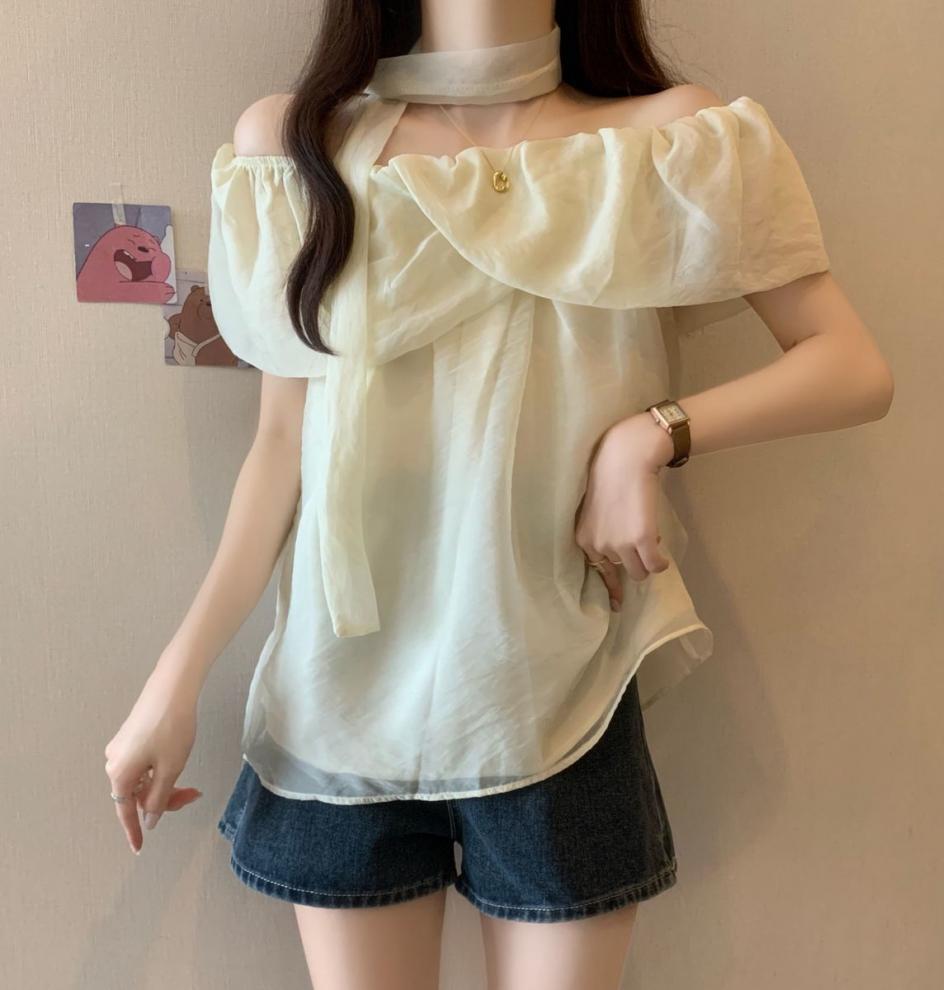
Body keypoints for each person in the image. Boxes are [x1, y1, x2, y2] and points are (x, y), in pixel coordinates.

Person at [103, 2, 894, 987]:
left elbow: (850, 365)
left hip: (559, 684)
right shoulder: (298, 144)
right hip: (339, 694)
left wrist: (650, 437)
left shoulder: (666, 141)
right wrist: (171, 685)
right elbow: (280, 447)